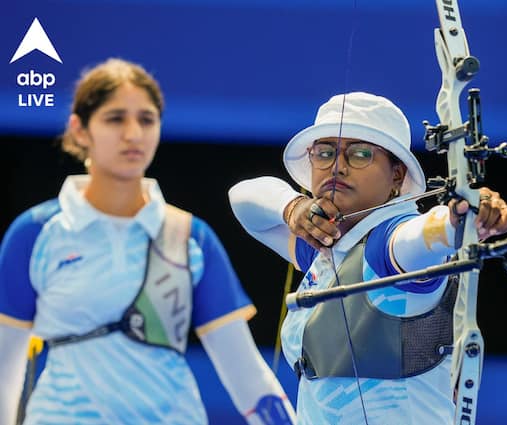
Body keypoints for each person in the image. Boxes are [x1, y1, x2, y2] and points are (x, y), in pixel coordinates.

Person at [0, 58, 295, 425]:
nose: (133, 134)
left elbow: (247, 377)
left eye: (146, 119)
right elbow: (5, 368)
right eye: (115, 118)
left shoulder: (191, 237)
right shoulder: (35, 233)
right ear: (79, 129)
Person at [229, 92, 507, 424]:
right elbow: (242, 198)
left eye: (360, 154)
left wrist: (463, 218)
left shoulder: (389, 243)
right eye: (325, 153)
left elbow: (422, 236)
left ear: (396, 175)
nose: (338, 165)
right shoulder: (323, 246)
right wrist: (293, 208)